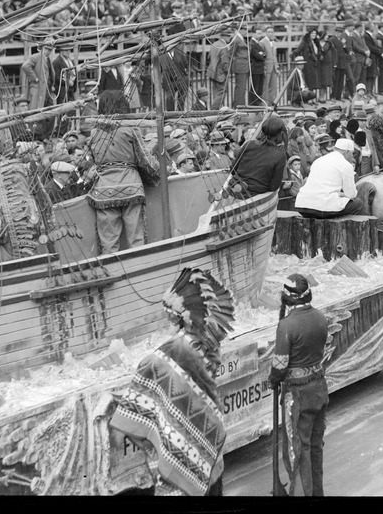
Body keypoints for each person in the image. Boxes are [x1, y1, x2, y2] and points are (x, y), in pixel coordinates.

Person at [110, 267, 233, 496]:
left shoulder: (177, 348)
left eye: (169, 314)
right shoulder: (208, 343)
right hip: (208, 433)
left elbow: (149, 368)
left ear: (180, 316)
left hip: (181, 443)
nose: (167, 318)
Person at [269, 273, 329, 497]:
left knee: (297, 451)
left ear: (287, 298)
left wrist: (273, 379)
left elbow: (280, 364)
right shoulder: (321, 317)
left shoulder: (287, 325)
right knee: (315, 448)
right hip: (319, 389)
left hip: (298, 395)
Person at [84, 91, 160, 254]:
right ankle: (139, 270)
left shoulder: (93, 133)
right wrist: (156, 170)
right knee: (136, 239)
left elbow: (92, 161)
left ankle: (112, 273)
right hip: (131, 185)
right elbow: (144, 158)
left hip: (104, 190)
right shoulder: (129, 127)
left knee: (108, 243)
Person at [294, 138, 365, 218]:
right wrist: (342, 194)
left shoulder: (319, 160)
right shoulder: (346, 165)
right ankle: (345, 230)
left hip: (301, 205)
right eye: (352, 153)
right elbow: (351, 194)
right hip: (321, 208)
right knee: (358, 204)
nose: (352, 157)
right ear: (346, 152)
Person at [227, 115, 288, 198]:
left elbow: (233, 169)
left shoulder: (249, 144)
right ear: (281, 134)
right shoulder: (280, 155)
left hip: (233, 192)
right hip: (254, 197)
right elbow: (274, 186)